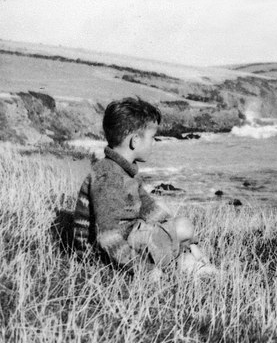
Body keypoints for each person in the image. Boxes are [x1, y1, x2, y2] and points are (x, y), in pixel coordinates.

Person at [72, 97, 215, 278]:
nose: (154, 142)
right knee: (183, 227)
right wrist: (143, 269)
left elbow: (149, 208)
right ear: (135, 140)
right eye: (152, 137)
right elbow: (107, 238)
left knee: (174, 221)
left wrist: (183, 238)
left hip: (128, 238)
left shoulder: (123, 171)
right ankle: (185, 264)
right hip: (101, 256)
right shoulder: (109, 176)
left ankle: (189, 261)